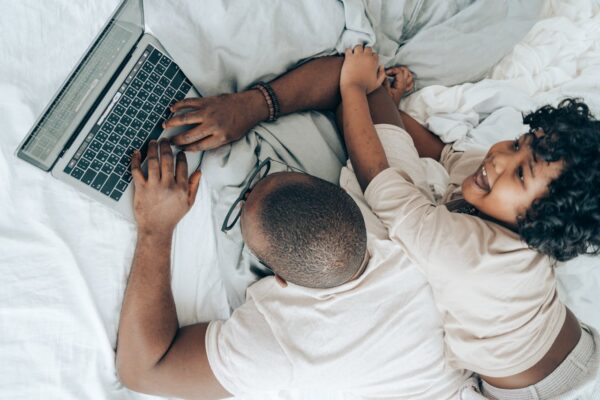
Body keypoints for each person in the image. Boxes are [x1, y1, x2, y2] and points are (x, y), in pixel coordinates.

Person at [160, 50, 600, 398]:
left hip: (535, 383)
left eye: (520, 173)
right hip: (569, 340)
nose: (500, 157)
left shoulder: (464, 256)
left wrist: (355, 88)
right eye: (520, 143)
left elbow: (385, 187)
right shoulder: (490, 188)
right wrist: (386, 100)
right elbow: (442, 154)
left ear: (540, 229)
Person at [116, 139, 467, 399]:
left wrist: (155, 229)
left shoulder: (279, 342)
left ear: (277, 278)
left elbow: (142, 370)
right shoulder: (414, 233)